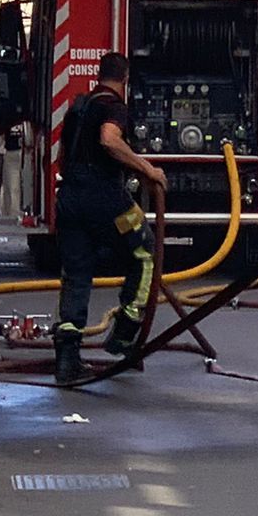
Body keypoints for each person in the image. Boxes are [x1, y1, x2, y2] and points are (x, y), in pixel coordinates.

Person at [52, 53, 168, 387]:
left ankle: (67, 360)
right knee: (146, 251)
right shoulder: (114, 107)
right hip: (104, 198)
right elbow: (108, 139)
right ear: (125, 78)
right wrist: (147, 169)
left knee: (76, 274)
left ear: (99, 74)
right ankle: (125, 332)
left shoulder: (78, 108)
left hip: (70, 198)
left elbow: (62, 158)